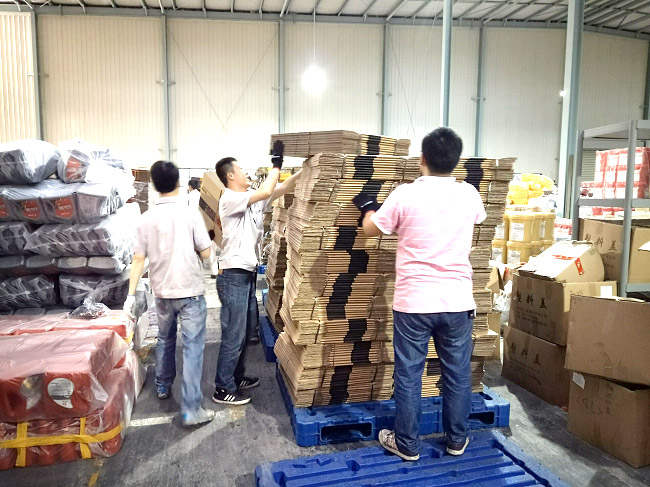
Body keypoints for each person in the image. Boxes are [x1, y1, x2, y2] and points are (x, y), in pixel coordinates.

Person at [354, 127, 486, 460]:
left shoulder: (405, 195)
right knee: (456, 374)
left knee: (409, 375)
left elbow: (370, 229)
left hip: (414, 303)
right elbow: (477, 220)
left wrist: (368, 207)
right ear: (456, 161)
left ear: (422, 158)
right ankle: (457, 440)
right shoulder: (469, 194)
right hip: (457, 301)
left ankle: (407, 444)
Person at [123, 160, 215, 427]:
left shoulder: (145, 219)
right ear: (178, 182)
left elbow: (138, 259)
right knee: (193, 349)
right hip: (190, 290)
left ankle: (163, 385)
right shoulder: (190, 214)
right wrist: (211, 263)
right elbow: (206, 252)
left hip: (162, 292)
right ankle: (191, 410)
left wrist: (131, 295)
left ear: (154, 185)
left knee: (165, 339)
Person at [212, 144, 302, 406]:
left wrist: (307, 169)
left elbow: (279, 188)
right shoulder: (230, 198)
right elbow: (266, 190)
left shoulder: (250, 200)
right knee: (233, 334)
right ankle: (222, 388)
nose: (245, 173)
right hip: (233, 275)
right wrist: (276, 164)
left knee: (243, 332)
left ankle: (236, 377)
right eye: (240, 169)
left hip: (246, 274)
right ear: (230, 175)